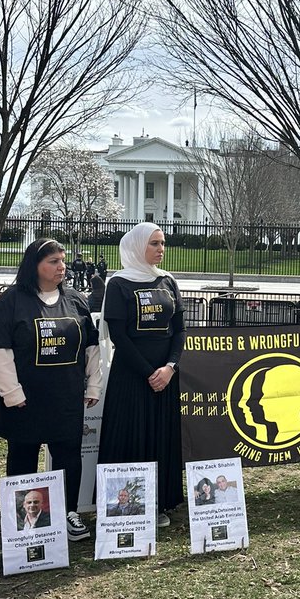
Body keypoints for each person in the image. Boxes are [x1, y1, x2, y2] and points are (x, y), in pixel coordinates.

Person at [0, 238, 101, 542]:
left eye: (62, 260)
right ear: (34, 265)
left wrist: (94, 385)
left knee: (69, 457)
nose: (61, 266)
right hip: (25, 400)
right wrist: (12, 392)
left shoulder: (76, 300)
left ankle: (68, 512)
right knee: (23, 457)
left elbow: (91, 347)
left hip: (66, 397)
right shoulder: (11, 302)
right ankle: (22, 520)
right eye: (53, 261)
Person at [97, 223, 185, 527]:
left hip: (166, 377)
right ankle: (129, 504)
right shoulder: (119, 284)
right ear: (137, 246)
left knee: (160, 436)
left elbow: (180, 330)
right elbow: (119, 335)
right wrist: (150, 372)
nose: (160, 249)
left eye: (162, 243)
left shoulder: (168, 281)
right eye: (154, 244)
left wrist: (169, 367)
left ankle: (160, 500)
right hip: (132, 376)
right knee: (132, 436)